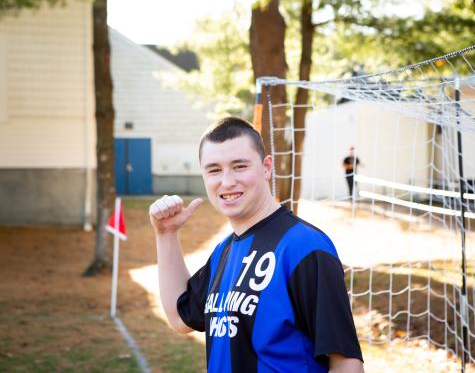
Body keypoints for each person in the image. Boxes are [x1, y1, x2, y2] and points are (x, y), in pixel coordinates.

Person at [149, 117, 364, 373]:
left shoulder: (305, 248)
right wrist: (165, 234)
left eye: (239, 166)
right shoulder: (224, 252)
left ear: (266, 167)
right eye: (214, 170)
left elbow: (346, 362)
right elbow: (180, 318)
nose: (227, 181)